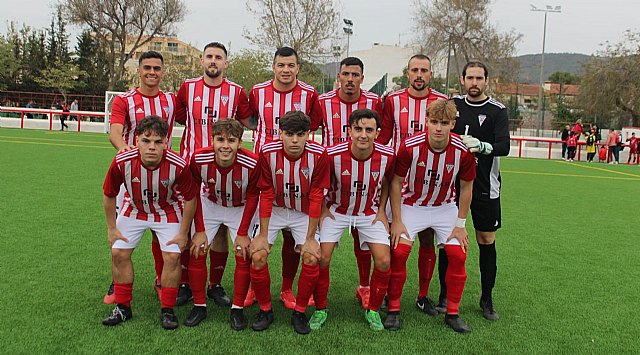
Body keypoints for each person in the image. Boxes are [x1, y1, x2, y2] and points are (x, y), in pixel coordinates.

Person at [175, 41, 254, 309]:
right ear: (201, 61)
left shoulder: (236, 92)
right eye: (209, 56)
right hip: (191, 168)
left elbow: (248, 122)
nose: (213, 61)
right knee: (188, 229)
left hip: (226, 169)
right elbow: (178, 118)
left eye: (218, 57)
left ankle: (215, 285)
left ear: (225, 63)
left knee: (219, 231)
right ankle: (185, 282)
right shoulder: (187, 88)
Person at [386, 98, 475, 333]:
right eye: (434, 122)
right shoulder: (409, 146)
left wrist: (460, 223)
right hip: (412, 205)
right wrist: (397, 220)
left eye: (444, 123)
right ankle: (393, 308)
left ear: (453, 124)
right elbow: (395, 183)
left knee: (458, 255)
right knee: (400, 251)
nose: (438, 127)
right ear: (426, 121)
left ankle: (452, 313)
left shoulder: (462, 151)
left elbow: (467, 187)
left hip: (444, 206)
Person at [101, 115, 198, 329]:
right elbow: (109, 194)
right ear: (136, 141)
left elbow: (191, 198)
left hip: (167, 210)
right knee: (118, 252)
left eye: (157, 141)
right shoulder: (122, 161)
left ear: (166, 142)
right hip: (134, 208)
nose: (151, 147)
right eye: (146, 141)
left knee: (173, 256)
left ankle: (168, 310)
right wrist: (111, 228)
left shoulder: (178, 164)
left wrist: (183, 233)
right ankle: (123, 308)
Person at [237, 111, 329, 333]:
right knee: (257, 255)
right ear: (280, 133)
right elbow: (266, 193)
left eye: (300, 134)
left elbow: (317, 196)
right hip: (276, 209)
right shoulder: (267, 152)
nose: (295, 140)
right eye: (289, 134)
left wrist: (309, 239)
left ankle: (299, 313)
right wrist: (262, 235)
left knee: (311, 256)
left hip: (303, 211)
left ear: (310, 134)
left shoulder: (319, 154)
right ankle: (265, 310)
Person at [104, 50, 178, 305]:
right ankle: (117, 284)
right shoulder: (124, 100)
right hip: (132, 176)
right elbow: (115, 132)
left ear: (163, 72)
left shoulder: (170, 100)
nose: (152, 72)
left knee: (162, 230)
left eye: (157, 68)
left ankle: (161, 279)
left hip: (162, 175)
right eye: (147, 67)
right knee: (122, 233)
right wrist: (127, 153)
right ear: (139, 71)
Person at [248, 46, 320, 310]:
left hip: (298, 171)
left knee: (293, 239)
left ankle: (287, 289)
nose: (286, 70)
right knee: (256, 236)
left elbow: (314, 123)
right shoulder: (257, 91)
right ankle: (251, 289)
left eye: (291, 65)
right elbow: (248, 118)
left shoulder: (310, 93)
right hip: (264, 169)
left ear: (297, 68)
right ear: (273, 67)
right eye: (281, 65)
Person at [377, 54, 449, 316]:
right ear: (407, 73)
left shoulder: (441, 102)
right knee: (394, 240)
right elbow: (385, 138)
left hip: (430, 183)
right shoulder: (393, 100)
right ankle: (387, 293)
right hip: (398, 182)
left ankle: (422, 295)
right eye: (414, 70)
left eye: (424, 70)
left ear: (431, 74)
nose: (419, 75)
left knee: (427, 239)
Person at [310, 56, 383, 309]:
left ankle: (364, 286)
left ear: (362, 78)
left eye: (355, 75)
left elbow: (381, 136)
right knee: (313, 239)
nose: (350, 79)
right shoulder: (322, 102)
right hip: (332, 180)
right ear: (338, 76)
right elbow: (311, 132)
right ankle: (310, 291)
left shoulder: (375, 101)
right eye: (345, 74)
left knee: (362, 237)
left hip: (364, 176)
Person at [311, 108, 394, 331]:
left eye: (369, 130)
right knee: (322, 258)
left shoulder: (387, 155)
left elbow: (388, 181)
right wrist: (322, 210)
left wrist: (382, 210)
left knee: (384, 261)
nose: (363, 135)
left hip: (369, 213)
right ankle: (320, 309)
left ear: (377, 132)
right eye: (358, 129)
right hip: (337, 212)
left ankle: (374, 310)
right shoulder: (332, 154)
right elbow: (318, 183)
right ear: (349, 131)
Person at [186, 119, 260, 329]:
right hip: (210, 203)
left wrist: (244, 231)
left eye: (231, 140)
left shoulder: (252, 163)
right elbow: (193, 192)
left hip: (240, 207)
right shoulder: (199, 158)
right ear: (212, 140)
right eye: (220, 140)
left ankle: (237, 308)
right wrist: (199, 230)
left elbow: (254, 196)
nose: (225, 146)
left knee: (243, 252)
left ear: (240, 142)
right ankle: (199, 305)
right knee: (198, 249)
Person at [451, 60, 510, 321]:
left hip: (487, 186)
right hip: (453, 185)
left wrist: (482, 146)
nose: (474, 83)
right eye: (470, 78)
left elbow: (504, 146)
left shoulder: (497, 110)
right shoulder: (453, 104)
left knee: (486, 241)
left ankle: (487, 299)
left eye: (479, 78)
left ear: (487, 81)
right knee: (451, 240)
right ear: (462, 80)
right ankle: (444, 296)